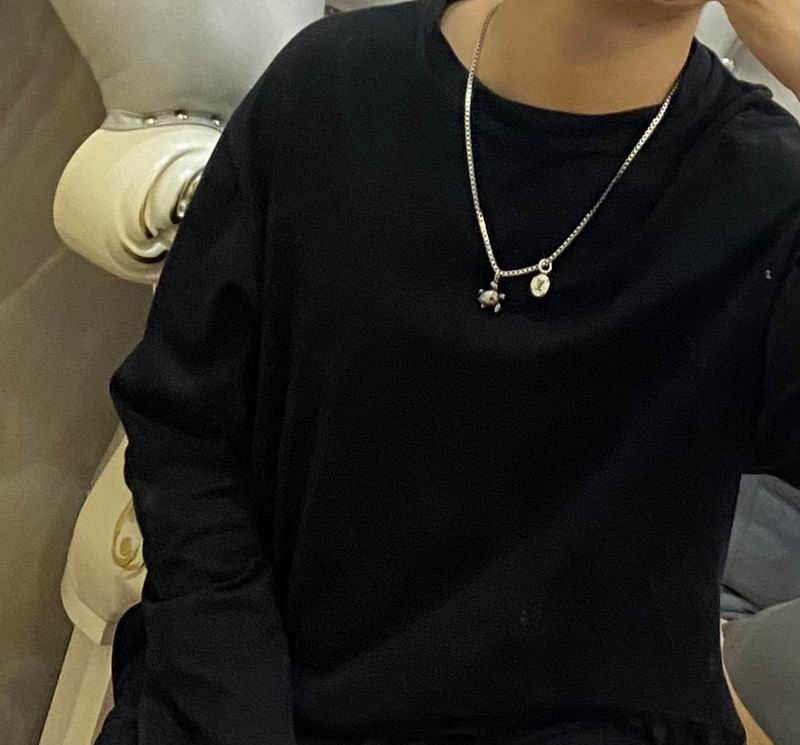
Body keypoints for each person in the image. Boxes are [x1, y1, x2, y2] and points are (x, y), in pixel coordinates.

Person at [96, 1, 800, 744]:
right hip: (251, 702)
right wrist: (231, 709)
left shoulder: (769, 201)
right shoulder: (328, 90)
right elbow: (186, 435)